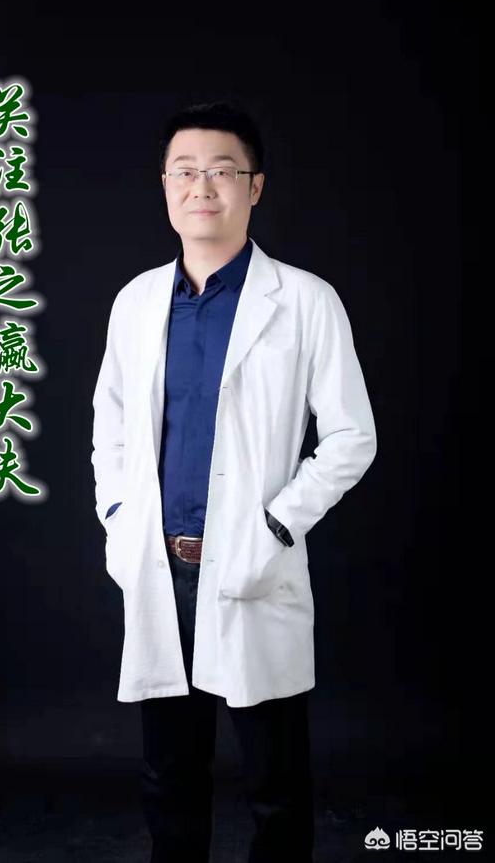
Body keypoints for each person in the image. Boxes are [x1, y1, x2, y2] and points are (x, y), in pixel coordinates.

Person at [91, 100, 377, 863]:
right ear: (164, 186)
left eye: (222, 171)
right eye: (184, 171)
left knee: (275, 785)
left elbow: (352, 434)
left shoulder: (305, 301)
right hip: (162, 567)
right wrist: (118, 516)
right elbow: (109, 427)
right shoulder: (136, 303)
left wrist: (277, 524)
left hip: (253, 564)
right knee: (168, 778)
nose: (202, 187)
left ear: (255, 187)